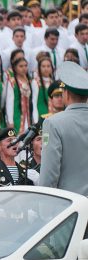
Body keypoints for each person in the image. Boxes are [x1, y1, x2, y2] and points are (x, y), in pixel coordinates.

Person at [40, 61, 88, 195]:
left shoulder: (53, 123)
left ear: (66, 94)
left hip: (70, 207)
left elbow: (49, 174)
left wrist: (44, 210)